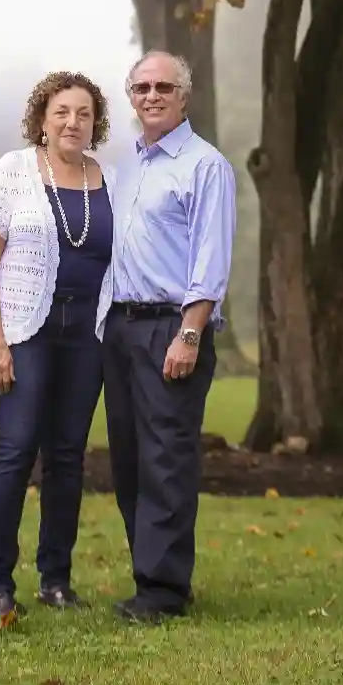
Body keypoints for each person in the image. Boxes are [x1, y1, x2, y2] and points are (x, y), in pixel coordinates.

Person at [0, 70, 115, 624]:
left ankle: (56, 579)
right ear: (42, 118)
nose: (72, 122)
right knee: (15, 449)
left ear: (95, 122)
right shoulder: (13, 171)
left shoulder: (112, 180)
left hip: (88, 338)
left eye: (83, 113)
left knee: (67, 457)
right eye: (62, 112)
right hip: (25, 331)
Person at [103, 49, 237, 623]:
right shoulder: (126, 167)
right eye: (141, 88)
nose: (151, 96)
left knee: (167, 459)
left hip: (171, 328)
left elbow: (211, 257)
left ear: (184, 96)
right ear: (130, 98)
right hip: (120, 328)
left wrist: (190, 333)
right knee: (130, 460)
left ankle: (162, 591)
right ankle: (153, 577)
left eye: (163, 87)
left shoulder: (206, 166)